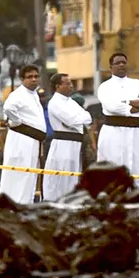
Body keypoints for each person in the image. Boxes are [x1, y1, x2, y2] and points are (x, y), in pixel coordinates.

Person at [95, 52, 139, 188]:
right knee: (113, 165)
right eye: (117, 63)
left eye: (123, 62)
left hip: (135, 132)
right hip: (113, 132)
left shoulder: (137, 84)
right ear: (111, 67)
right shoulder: (105, 86)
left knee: (137, 165)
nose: (121, 65)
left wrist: (126, 102)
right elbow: (112, 106)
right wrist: (134, 107)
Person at [0, 65, 46, 204]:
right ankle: (12, 205)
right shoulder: (18, 94)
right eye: (30, 77)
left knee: (30, 175)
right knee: (20, 175)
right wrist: (17, 121)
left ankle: (26, 204)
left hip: (33, 141)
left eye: (36, 76)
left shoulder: (34, 94)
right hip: (22, 140)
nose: (33, 79)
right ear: (22, 79)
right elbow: (8, 108)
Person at [44, 72, 91, 200]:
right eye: (68, 83)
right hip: (63, 145)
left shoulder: (71, 102)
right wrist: (79, 119)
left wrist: (78, 119)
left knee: (74, 178)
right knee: (62, 178)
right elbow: (72, 121)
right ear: (58, 86)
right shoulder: (55, 103)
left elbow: (88, 117)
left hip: (77, 144)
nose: (71, 86)